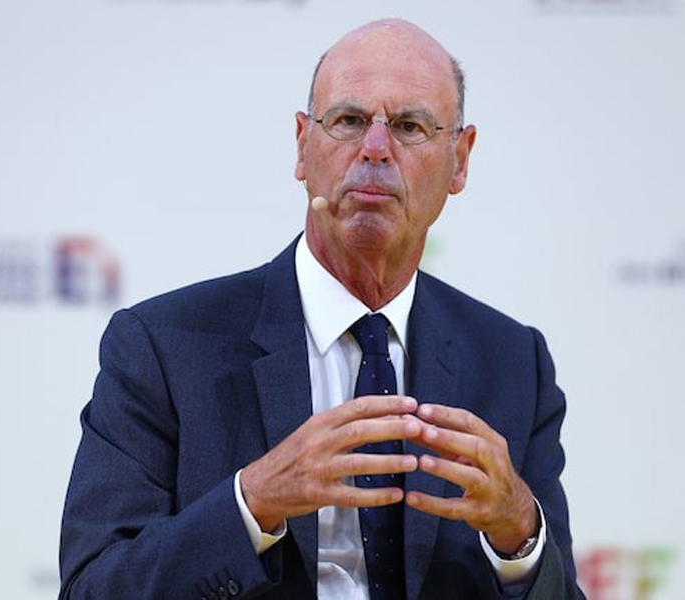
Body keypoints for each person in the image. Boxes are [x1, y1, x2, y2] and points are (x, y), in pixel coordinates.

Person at [59, 18, 583, 600]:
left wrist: (519, 533)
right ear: (303, 145)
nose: (376, 149)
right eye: (350, 121)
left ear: (459, 159)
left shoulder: (513, 362)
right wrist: (253, 502)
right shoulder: (163, 347)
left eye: (410, 126)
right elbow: (92, 588)